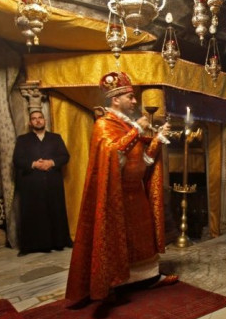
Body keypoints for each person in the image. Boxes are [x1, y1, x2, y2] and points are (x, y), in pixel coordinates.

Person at [65, 71, 176, 304]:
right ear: (115, 99)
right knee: (119, 239)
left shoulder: (125, 125)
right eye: (130, 97)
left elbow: (143, 161)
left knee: (142, 239)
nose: (135, 101)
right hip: (116, 195)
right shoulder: (104, 124)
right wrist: (137, 129)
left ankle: (147, 278)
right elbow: (113, 154)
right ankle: (115, 281)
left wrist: (156, 140)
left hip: (137, 192)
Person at [12, 110, 72, 256]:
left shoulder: (55, 138)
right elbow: (17, 160)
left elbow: (65, 156)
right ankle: (33, 246)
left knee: (56, 212)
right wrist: (34, 164)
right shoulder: (22, 139)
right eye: (34, 119)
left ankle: (59, 242)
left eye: (40, 118)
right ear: (30, 123)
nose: (38, 120)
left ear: (44, 120)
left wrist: (51, 162)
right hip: (31, 185)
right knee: (34, 214)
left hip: (53, 183)